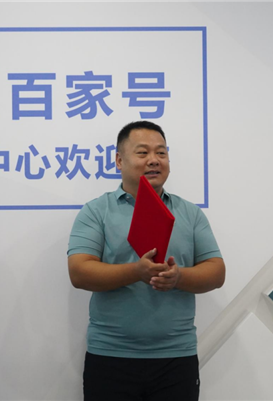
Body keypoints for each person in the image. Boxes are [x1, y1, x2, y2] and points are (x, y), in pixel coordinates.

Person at [68, 121, 225, 401]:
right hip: (110, 356)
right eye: (143, 153)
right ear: (119, 160)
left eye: (161, 153)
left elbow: (216, 272)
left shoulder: (190, 213)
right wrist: (136, 271)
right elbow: (79, 272)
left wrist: (178, 277)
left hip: (176, 357)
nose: (154, 160)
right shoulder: (96, 211)